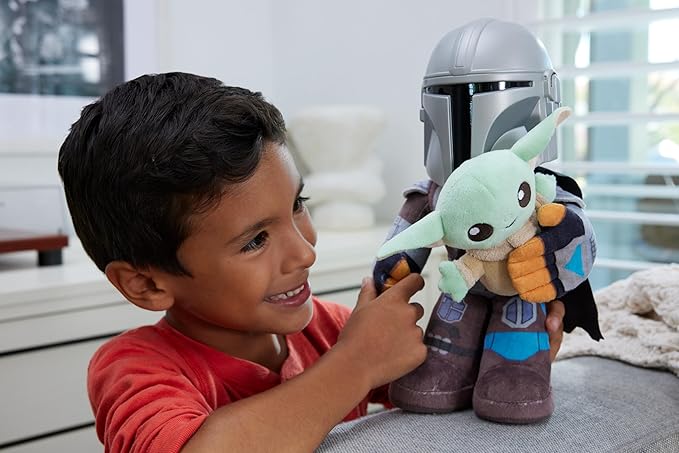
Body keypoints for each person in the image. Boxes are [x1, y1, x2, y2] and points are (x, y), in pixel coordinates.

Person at [58, 71, 565, 451]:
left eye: (298, 204)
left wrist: (511, 350)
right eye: (255, 241)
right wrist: (356, 365)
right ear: (146, 285)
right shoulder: (132, 370)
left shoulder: (330, 330)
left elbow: (438, 389)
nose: (305, 251)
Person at [373, 18, 602, 424]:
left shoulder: (541, 188)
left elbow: (576, 235)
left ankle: (515, 373)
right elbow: (412, 224)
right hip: (462, 290)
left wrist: (546, 261)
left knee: (514, 377)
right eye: (451, 97)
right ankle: (447, 370)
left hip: (520, 298)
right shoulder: (438, 191)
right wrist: (396, 265)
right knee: (438, 362)